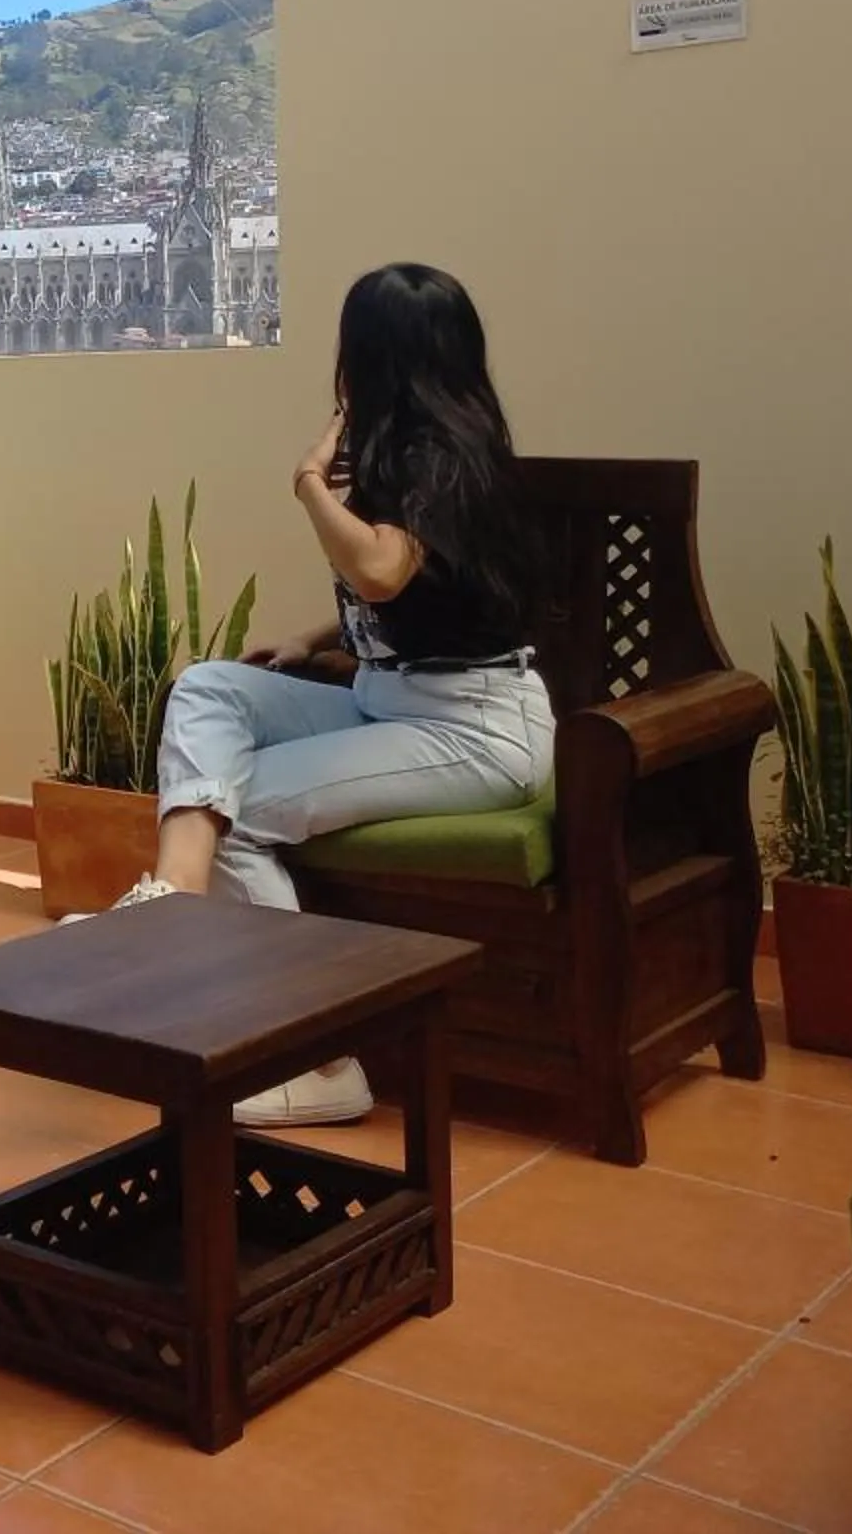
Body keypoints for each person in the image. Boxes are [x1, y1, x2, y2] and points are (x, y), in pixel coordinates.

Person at [112, 263, 554, 1127]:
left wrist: (311, 484)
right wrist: (316, 637)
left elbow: (385, 569)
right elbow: (431, 588)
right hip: (393, 700)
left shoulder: (443, 456)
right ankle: (172, 902)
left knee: (238, 805)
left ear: (372, 356)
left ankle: (319, 1062)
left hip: (474, 730)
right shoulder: (421, 447)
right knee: (209, 688)